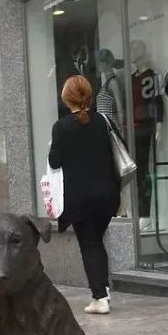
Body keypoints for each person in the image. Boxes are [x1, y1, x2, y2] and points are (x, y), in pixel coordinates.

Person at [49, 75, 120, 315]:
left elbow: (54, 161)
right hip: (107, 195)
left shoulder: (61, 127)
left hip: (80, 199)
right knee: (96, 242)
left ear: (66, 97)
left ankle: (99, 297)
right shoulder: (102, 121)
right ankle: (104, 289)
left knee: (89, 245)